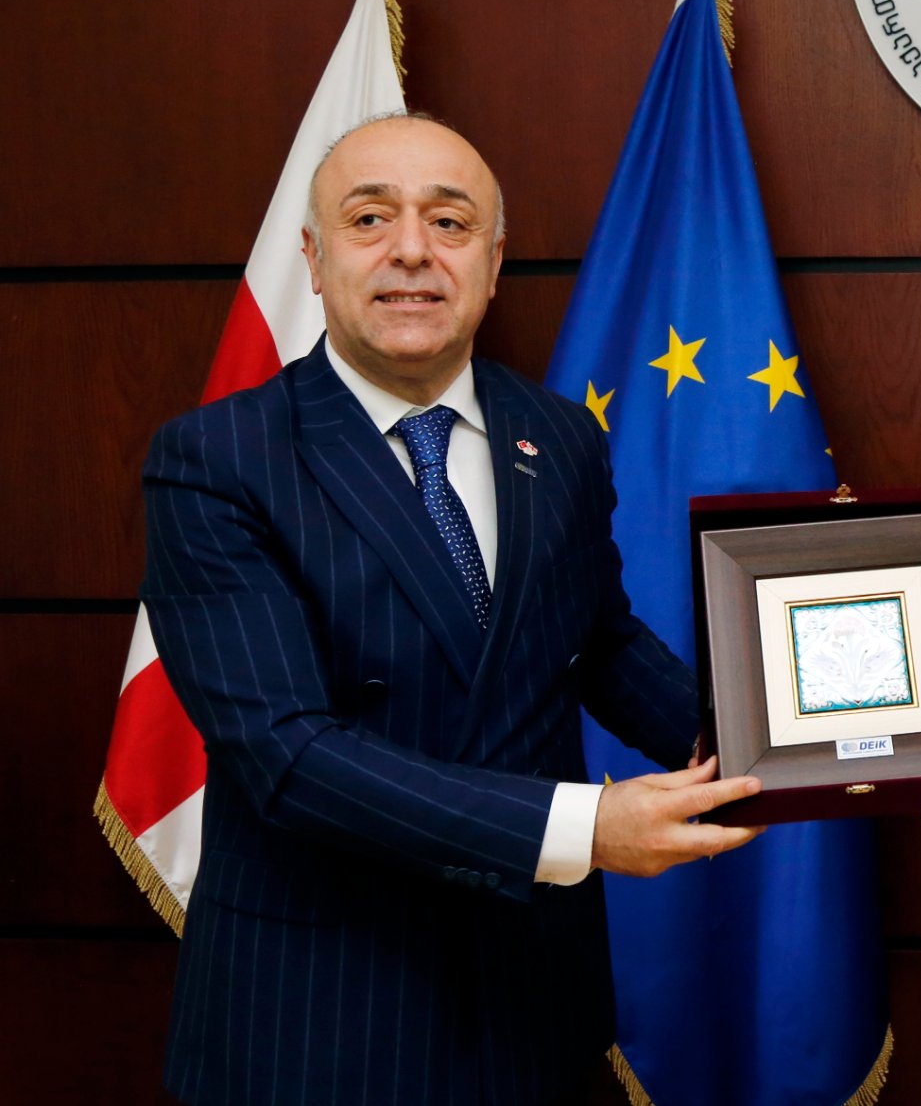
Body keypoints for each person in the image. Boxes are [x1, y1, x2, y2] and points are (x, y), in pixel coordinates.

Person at [141, 113, 761, 1106]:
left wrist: (772, 739)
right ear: (314, 257)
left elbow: (593, 640)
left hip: (530, 1001)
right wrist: (582, 826)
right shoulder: (218, 460)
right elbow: (286, 752)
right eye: (369, 218)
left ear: (493, 259)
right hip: (318, 1013)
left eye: (449, 221)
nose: (411, 250)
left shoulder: (557, 434)